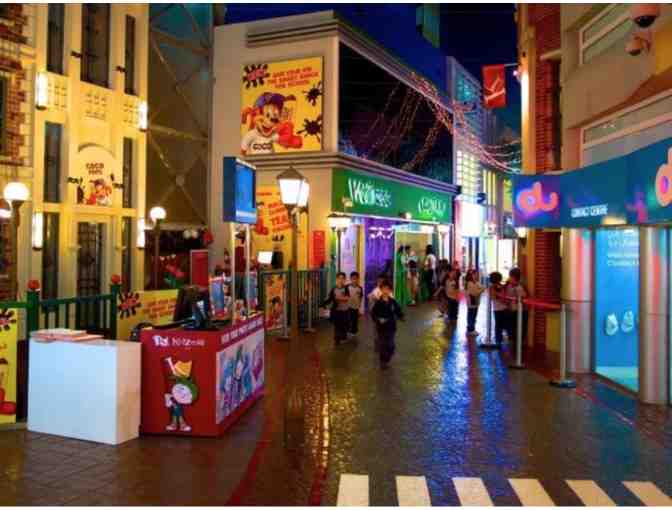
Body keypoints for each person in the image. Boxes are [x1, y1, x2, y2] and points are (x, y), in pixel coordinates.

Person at [370, 280, 404, 369]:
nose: (385, 291)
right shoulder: (378, 303)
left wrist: (401, 316)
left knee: (391, 345)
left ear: (390, 291)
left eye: (387, 289)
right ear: (381, 290)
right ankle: (383, 361)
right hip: (381, 328)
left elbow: (398, 311)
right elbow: (373, 314)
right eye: (384, 289)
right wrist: (378, 319)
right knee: (383, 345)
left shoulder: (393, 302)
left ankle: (387, 358)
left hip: (391, 327)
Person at [321, 272, 350, 346]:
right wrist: (323, 304)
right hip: (336, 310)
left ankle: (343, 336)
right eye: (339, 278)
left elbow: (347, 298)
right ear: (336, 279)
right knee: (337, 325)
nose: (341, 280)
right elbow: (330, 298)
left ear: (345, 279)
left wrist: (338, 298)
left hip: (345, 310)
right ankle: (337, 339)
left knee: (344, 324)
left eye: (342, 278)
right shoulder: (333, 289)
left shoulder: (346, 288)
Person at [505, 268, 528, 356]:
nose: (509, 278)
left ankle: (518, 346)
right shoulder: (510, 286)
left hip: (519, 311)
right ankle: (515, 345)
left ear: (514, 277)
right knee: (513, 328)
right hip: (513, 310)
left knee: (519, 328)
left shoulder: (520, 287)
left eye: (510, 276)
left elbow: (524, 297)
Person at [489, 272, 508, 346]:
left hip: (500, 308)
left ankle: (499, 339)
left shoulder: (500, 286)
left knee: (500, 325)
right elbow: (493, 297)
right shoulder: (492, 287)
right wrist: (500, 297)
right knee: (499, 325)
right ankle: (498, 340)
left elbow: (501, 296)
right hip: (499, 308)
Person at [368, 275, 386, 352]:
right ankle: (377, 345)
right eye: (379, 281)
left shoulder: (387, 290)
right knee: (376, 329)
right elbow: (370, 299)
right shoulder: (375, 290)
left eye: (382, 281)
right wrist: (371, 298)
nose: (380, 283)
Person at [465, 270, 484, 336]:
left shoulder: (476, 282)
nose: (477, 276)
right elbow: (475, 293)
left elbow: (482, 288)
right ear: (472, 275)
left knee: (474, 316)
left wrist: (480, 289)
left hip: (476, 302)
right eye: (475, 274)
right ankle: (470, 330)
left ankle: (472, 329)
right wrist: (480, 290)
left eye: (477, 274)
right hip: (471, 302)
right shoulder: (469, 283)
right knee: (471, 316)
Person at [347, 271, 364, 337]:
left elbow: (360, 297)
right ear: (350, 279)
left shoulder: (359, 288)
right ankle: (348, 330)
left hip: (356, 307)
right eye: (353, 278)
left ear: (358, 279)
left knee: (355, 319)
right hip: (348, 306)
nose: (354, 280)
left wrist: (359, 305)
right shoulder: (347, 287)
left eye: (356, 279)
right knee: (348, 319)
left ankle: (354, 331)